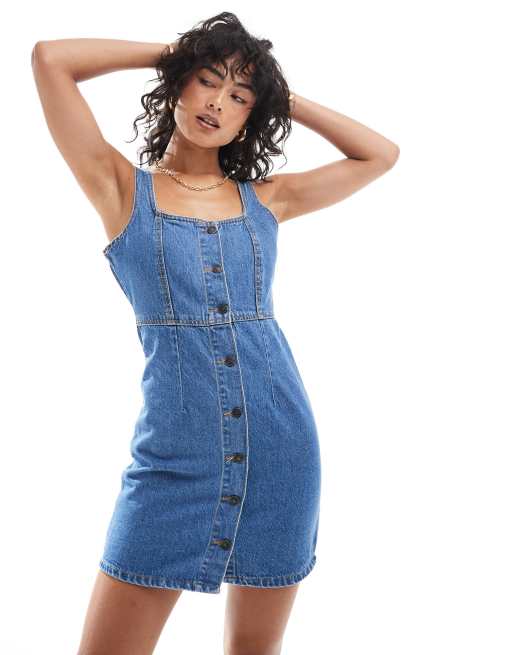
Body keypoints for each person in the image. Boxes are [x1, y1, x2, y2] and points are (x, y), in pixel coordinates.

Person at [31, 12, 399, 655]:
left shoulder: (268, 199)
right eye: (206, 81)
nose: (217, 103)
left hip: (281, 448)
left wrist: (276, 91)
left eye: (239, 95)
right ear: (178, 83)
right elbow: (50, 58)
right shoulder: (121, 189)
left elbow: (381, 154)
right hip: (173, 456)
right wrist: (181, 52)